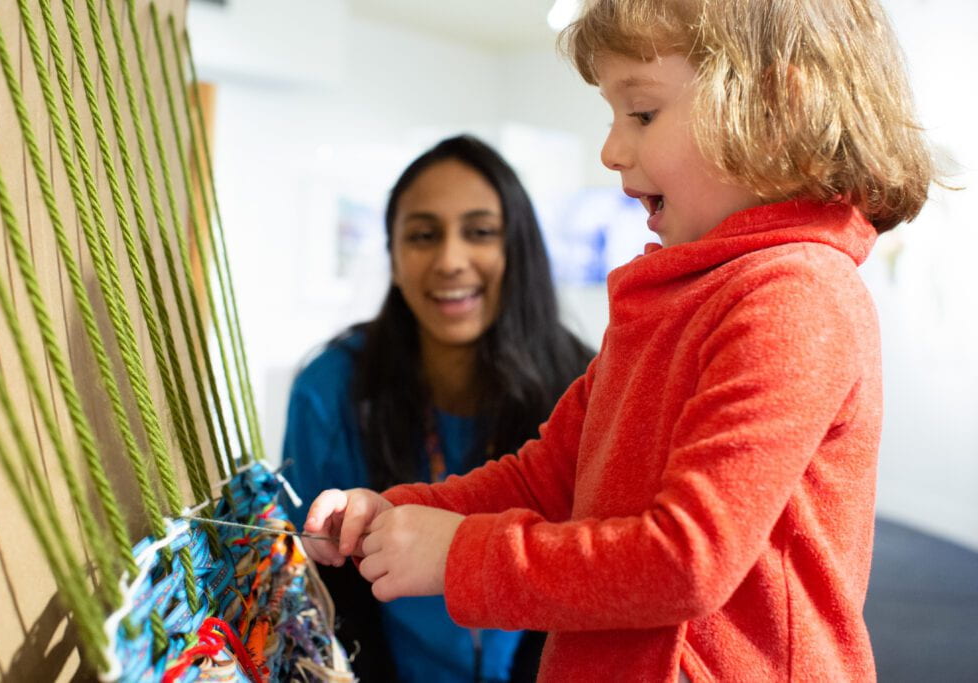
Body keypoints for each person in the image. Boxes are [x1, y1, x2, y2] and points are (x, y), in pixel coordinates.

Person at [300, 0, 938, 681]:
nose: (610, 150)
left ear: (778, 108)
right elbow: (547, 477)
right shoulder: (673, 300)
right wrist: (399, 508)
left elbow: (685, 558)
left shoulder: (797, 295)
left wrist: (460, 553)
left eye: (641, 114)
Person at [280, 135, 594, 682]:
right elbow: (318, 590)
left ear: (516, 249)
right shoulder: (329, 388)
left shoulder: (588, 383)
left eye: (479, 232)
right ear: (394, 258)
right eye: (424, 236)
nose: (450, 261)